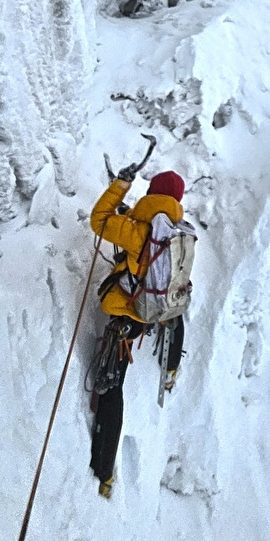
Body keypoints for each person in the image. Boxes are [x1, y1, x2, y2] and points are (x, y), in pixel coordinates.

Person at [88, 169, 186, 497]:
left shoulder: (137, 232)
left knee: (112, 390)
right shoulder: (179, 234)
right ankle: (171, 366)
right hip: (153, 314)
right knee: (115, 384)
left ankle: (104, 471)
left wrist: (120, 185)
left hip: (128, 317)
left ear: (152, 193)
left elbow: (99, 220)